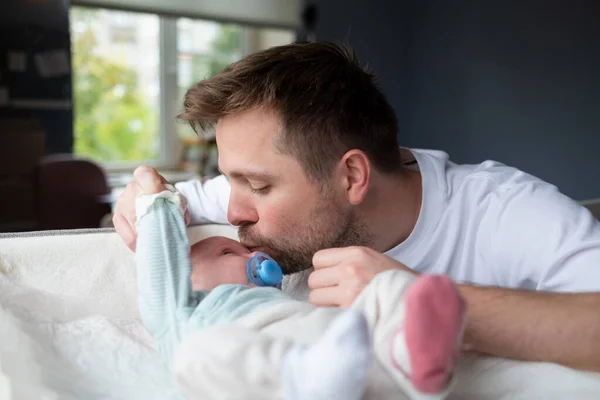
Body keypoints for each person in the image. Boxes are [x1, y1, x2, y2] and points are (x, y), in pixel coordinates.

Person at [114, 41, 600, 372]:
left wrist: (420, 301)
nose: (233, 209)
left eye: (257, 186)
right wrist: (140, 199)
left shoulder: (507, 213)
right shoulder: (266, 191)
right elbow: (164, 198)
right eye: (229, 179)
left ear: (351, 176)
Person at [133, 166, 466, 400]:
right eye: (227, 252)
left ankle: (411, 358)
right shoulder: (185, 314)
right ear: (188, 278)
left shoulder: (289, 301)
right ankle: (305, 383)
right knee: (196, 355)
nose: (253, 257)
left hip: (342, 354)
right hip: (274, 372)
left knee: (384, 285)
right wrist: (156, 202)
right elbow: (160, 263)